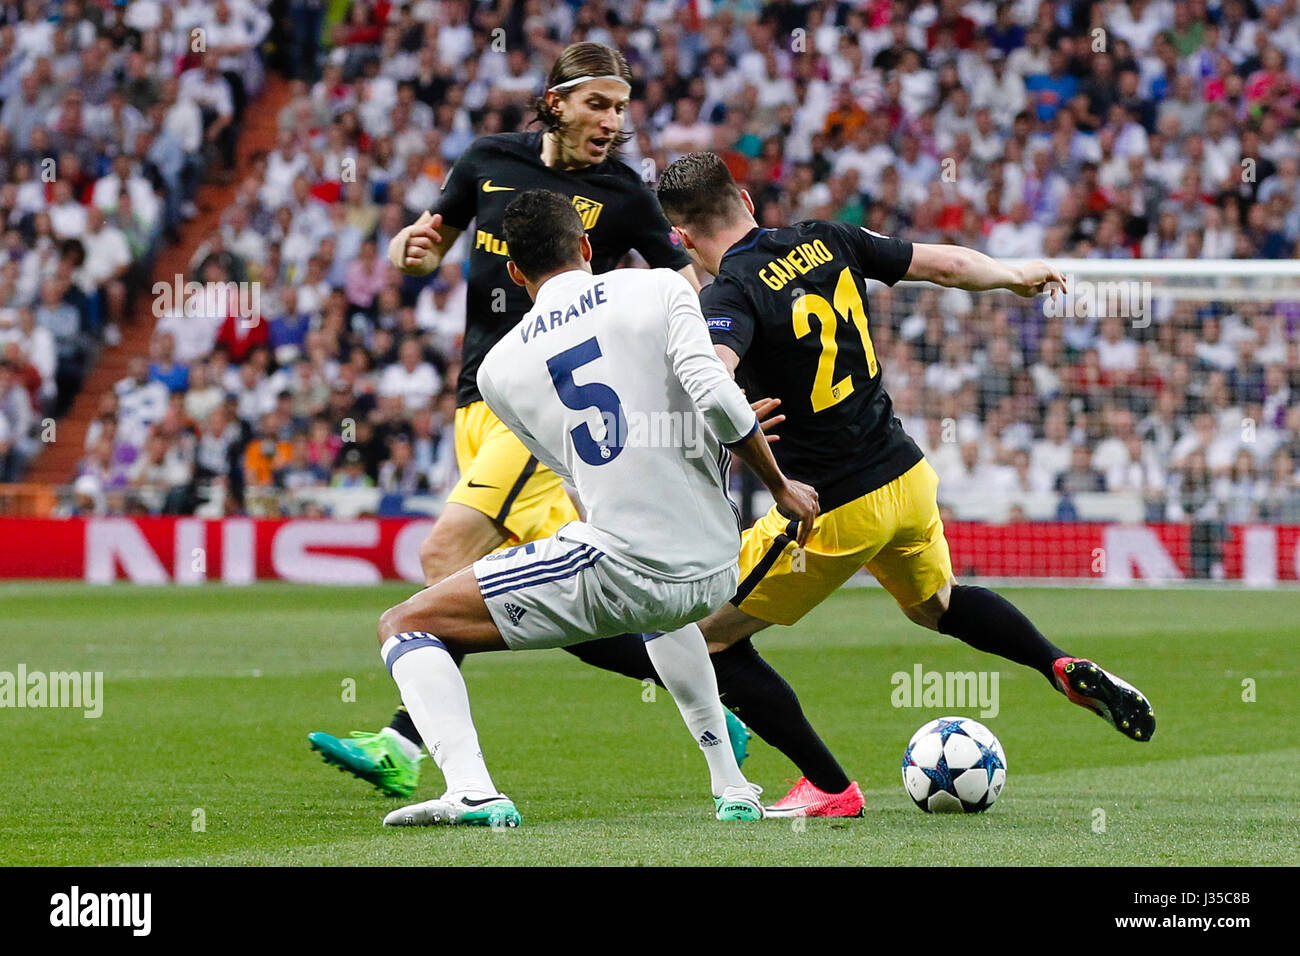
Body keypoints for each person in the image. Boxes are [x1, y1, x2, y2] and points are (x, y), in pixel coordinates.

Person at [310, 43, 829, 802]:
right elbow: (426, 240)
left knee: (448, 554)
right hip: (479, 399)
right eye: (598, 104)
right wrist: (409, 250)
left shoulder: (624, 193)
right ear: (555, 100)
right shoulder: (487, 160)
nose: (611, 122)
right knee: (600, 598)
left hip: (535, 397)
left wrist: (728, 348)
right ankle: (720, 717)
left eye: (620, 108)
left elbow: (688, 279)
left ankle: (405, 740)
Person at [652, 151, 1155, 816]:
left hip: (829, 507)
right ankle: (1054, 662)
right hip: (907, 476)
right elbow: (939, 264)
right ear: (743, 197)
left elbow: (712, 380)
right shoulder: (825, 236)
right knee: (936, 605)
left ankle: (831, 788)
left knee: (690, 634)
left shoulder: (728, 293)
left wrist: (758, 461)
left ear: (681, 238)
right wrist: (1013, 275)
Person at [378, 190, 818, 827]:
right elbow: (717, 398)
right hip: (716, 565)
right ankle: (732, 786)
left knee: (404, 623)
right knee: (663, 611)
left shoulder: (499, 368)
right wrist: (777, 484)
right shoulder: (661, 286)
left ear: (514, 273)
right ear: (586, 246)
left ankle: (472, 791)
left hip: (624, 566)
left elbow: (573, 482)